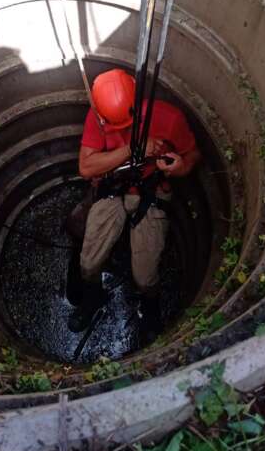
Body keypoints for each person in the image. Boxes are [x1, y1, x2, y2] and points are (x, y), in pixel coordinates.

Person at [68, 68, 200, 332]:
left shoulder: (169, 118)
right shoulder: (99, 115)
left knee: (144, 276)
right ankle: (93, 297)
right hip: (114, 186)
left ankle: (149, 307)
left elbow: (192, 155)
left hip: (151, 189)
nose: (118, 129)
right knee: (88, 261)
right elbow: (87, 167)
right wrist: (131, 148)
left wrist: (179, 167)